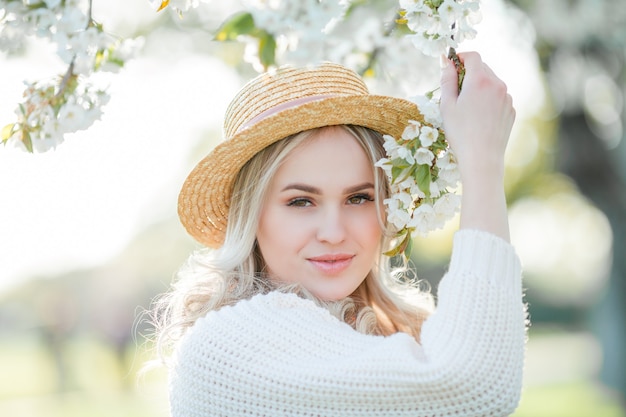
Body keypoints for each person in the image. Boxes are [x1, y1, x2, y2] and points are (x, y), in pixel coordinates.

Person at [151, 51, 527, 416]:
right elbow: (473, 385)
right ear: (250, 216)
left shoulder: (379, 335)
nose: (333, 233)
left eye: (359, 197)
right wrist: (482, 161)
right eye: (301, 202)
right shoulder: (230, 347)